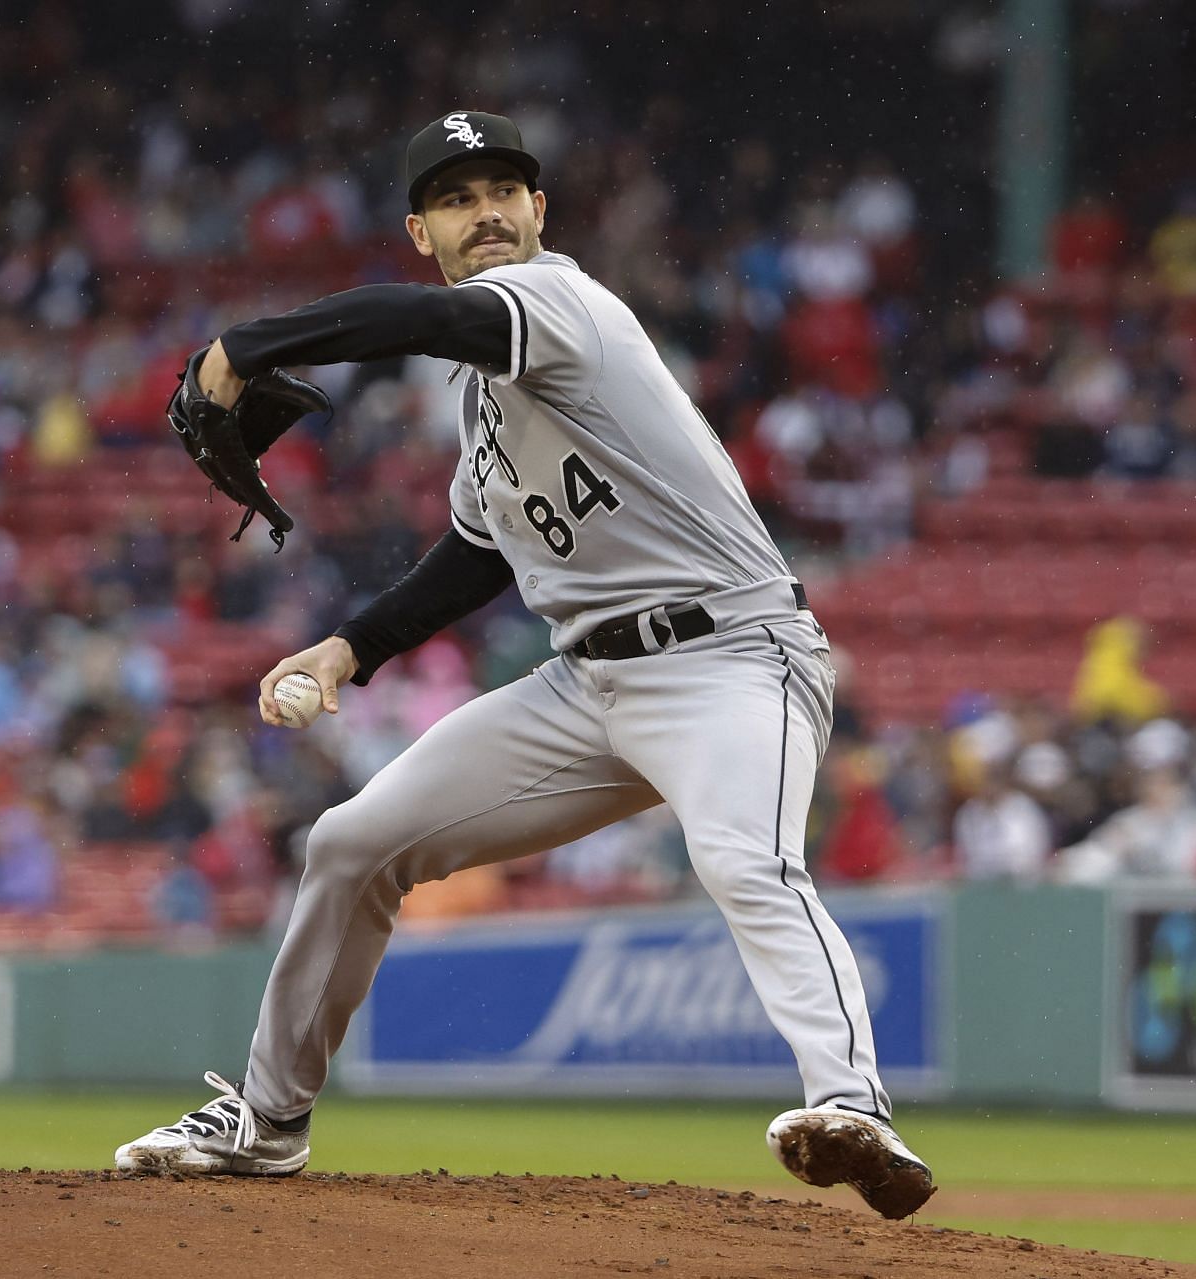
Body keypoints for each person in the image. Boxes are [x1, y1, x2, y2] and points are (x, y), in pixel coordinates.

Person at [114, 112, 934, 1219]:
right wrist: (351, 647)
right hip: (585, 688)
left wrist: (243, 347)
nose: (487, 209)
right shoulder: (485, 398)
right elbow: (477, 550)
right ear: (420, 227)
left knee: (745, 856)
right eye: (457, 197)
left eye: (506, 188)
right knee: (355, 841)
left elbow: (413, 318)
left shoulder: (561, 305)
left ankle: (854, 1108)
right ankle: (265, 1123)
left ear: (542, 211)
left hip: (733, 658)